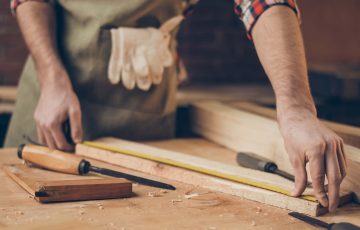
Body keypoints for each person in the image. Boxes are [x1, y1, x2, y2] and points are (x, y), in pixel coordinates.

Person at [5, 0, 346, 212]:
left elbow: (264, 2)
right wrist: (51, 75)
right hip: (55, 109)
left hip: (147, 118)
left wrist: (297, 107)